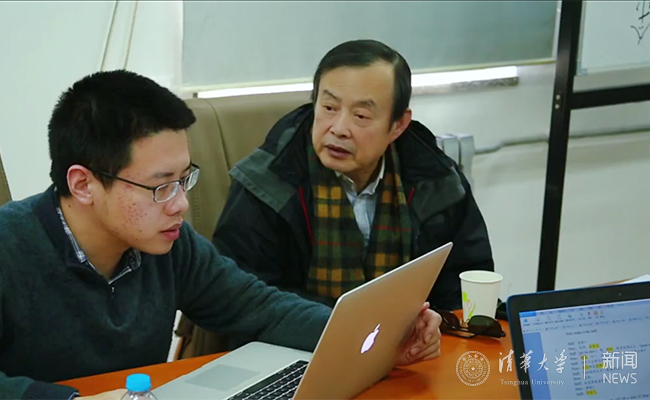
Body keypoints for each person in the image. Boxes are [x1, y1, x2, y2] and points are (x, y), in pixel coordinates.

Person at [0, 70, 442, 400]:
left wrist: (381, 340)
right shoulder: (10, 247)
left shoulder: (168, 243)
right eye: (160, 186)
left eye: (183, 179)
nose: (180, 204)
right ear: (83, 185)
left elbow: (260, 308)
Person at [213, 39, 494, 312]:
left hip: (410, 340)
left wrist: (435, 323)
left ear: (398, 125)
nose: (338, 128)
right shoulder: (266, 183)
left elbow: (465, 285)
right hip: (296, 339)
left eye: (360, 116)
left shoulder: (436, 180)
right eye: (329, 108)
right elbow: (241, 298)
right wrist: (353, 323)